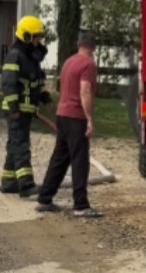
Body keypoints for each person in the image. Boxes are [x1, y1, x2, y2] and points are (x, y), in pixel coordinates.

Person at [36, 32, 103, 218]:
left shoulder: (69, 62)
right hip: (76, 117)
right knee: (80, 161)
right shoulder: (88, 64)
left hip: (62, 114)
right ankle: (80, 205)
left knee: (59, 158)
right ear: (94, 47)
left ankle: (44, 198)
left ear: (79, 44)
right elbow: (85, 90)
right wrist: (89, 118)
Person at [0, 15, 52, 197]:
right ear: (27, 36)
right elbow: (8, 83)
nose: (39, 40)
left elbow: (36, 83)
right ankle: (26, 184)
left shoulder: (31, 58)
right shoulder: (16, 56)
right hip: (17, 110)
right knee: (21, 144)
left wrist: (45, 98)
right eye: (36, 36)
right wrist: (14, 107)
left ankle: (9, 182)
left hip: (25, 109)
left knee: (15, 143)